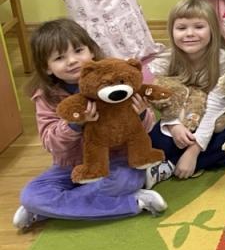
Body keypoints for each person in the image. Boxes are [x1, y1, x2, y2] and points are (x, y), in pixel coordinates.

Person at [13, 20, 167, 231]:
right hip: (70, 165)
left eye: (78, 51)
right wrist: (74, 125)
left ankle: (47, 210)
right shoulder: (46, 97)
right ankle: (133, 202)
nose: (72, 61)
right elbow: (50, 143)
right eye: (59, 58)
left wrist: (140, 114)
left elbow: (146, 130)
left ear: (92, 51)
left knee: (124, 182)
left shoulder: (115, 79)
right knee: (31, 196)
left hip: (116, 161)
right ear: (46, 68)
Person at [147, 0, 225, 179]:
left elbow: (215, 107)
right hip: (183, 117)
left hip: (215, 119)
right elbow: (163, 100)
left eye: (198, 27)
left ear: (212, 30)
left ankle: (171, 165)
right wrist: (174, 126)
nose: (189, 34)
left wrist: (194, 151)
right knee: (155, 139)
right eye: (181, 28)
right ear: (172, 31)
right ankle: (180, 160)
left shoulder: (224, 61)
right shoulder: (166, 60)